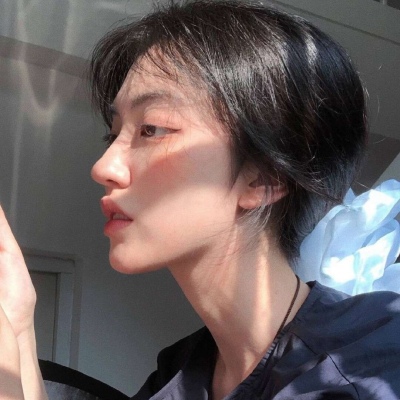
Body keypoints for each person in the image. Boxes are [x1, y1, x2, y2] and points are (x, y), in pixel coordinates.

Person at [0, 1, 400, 399]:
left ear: (264, 177)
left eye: (152, 129)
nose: (104, 167)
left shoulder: (370, 364)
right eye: (114, 134)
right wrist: (19, 325)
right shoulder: (180, 371)